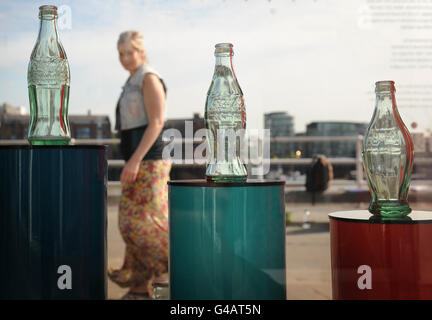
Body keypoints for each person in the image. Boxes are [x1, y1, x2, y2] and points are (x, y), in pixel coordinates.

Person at [108, 30, 171, 300]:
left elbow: (157, 121)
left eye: (129, 52)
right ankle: (139, 288)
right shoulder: (131, 81)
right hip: (137, 162)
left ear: (141, 52)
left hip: (150, 162)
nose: (124, 58)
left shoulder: (148, 78)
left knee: (138, 223)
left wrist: (135, 161)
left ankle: (169, 272)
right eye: (120, 53)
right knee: (134, 220)